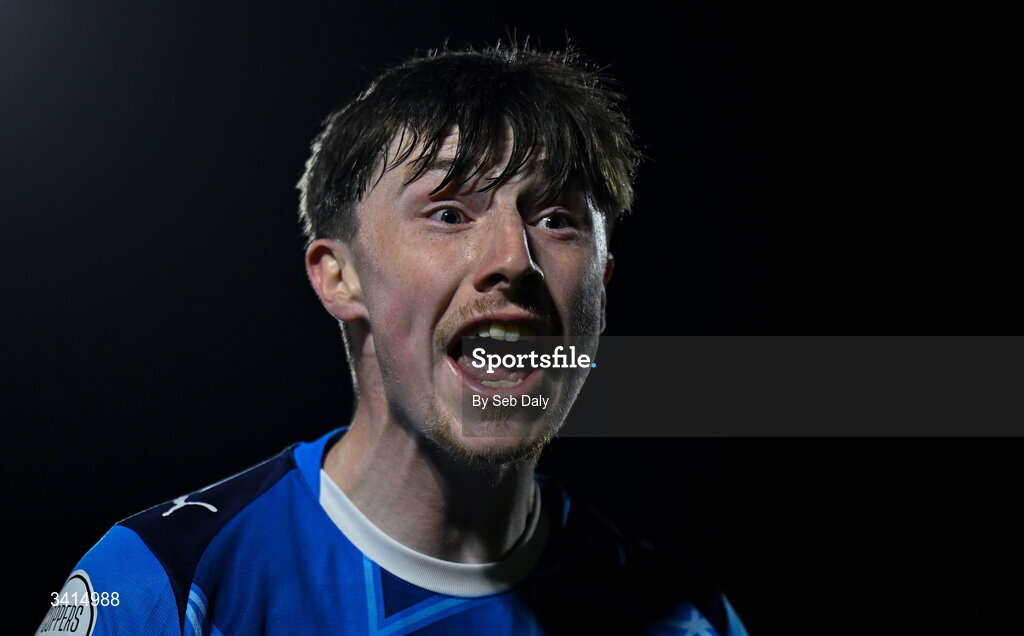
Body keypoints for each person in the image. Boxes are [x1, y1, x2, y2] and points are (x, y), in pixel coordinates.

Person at [39, 43, 747, 635]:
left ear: (600, 290)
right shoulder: (161, 584)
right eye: (447, 213)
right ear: (340, 278)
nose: (513, 258)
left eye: (558, 219)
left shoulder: (686, 618)